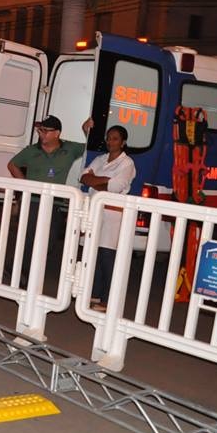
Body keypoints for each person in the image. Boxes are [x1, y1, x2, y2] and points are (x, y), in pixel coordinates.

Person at [7, 115, 93, 285]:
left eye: (46, 131)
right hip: (33, 202)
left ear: (57, 133)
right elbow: (12, 164)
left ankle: (17, 268)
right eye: (40, 130)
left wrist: (86, 130)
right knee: (30, 238)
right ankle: (23, 273)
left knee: (50, 241)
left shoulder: (69, 149)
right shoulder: (32, 150)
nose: (42, 134)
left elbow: (91, 149)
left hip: (55, 204)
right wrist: (24, 185)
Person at [80, 125, 136, 311]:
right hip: (95, 211)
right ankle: (95, 294)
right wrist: (102, 181)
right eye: (109, 138)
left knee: (107, 256)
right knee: (93, 253)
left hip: (112, 215)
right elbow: (84, 177)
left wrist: (97, 181)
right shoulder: (100, 159)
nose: (110, 142)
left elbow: (116, 187)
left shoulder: (126, 163)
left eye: (115, 139)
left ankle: (108, 299)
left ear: (123, 142)